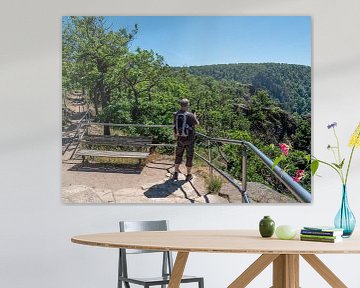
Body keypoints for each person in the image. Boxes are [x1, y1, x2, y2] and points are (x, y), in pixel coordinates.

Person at [173, 98, 199, 181]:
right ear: (188, 105)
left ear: (180, 105)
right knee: (189, 156)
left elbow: (174, 125)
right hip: (189, 139)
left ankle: (176, 173)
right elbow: (197, 124)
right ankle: (188, 175)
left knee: (178, 155)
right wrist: (194, 116)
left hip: (179, 138)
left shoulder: (176, 114)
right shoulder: (190, 115)